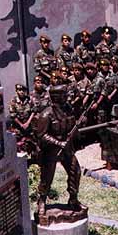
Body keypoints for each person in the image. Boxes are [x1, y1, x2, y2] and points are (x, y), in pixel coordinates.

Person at [33, 85, 86, 215]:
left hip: (67, 149)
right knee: (47, 178)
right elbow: (41, 135)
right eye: (64, 95)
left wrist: (77, 127)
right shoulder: (46, 114)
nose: (67, 97)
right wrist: (58, 143)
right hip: (51, 151)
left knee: (76, 171)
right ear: (56, 97)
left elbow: (72, 125)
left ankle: (73, 199)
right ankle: (42, 201)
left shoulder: (68, 109)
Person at [8, 84, 35, 154]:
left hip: (29, 126)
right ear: (16, 91)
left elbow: (33, 111)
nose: (22, 92)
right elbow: (13, 115)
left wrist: (28, 123)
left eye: (23, 90)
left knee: (30, 143)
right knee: (18, 145)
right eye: (19, 90)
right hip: (18, 127)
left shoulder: (29, 100)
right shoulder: (13, 101)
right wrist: (21, 124)